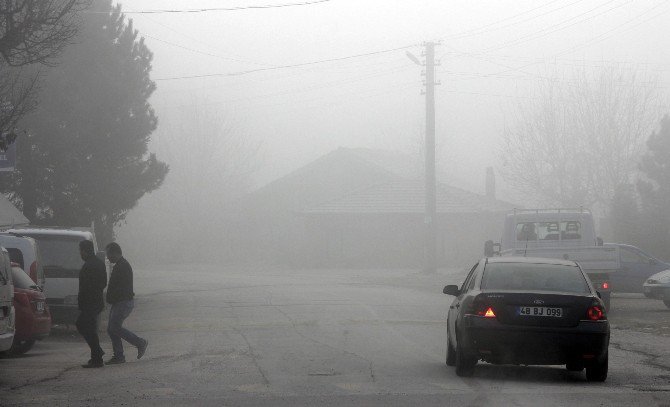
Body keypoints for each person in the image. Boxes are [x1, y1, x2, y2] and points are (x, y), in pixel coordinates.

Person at [105, 242, 148, 364]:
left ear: (115, 253)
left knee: (114, 327)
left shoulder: (122, 266)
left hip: (123, 302)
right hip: (119, 302)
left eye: (109, 254)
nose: (108, 258)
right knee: (111, 329)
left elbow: (121, 288)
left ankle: (140, 342)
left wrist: (112, 298)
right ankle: (119, 356)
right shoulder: (120, 265)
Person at [76, 240, 107, 368]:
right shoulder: (99, 263)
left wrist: (85, 300)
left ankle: (97, 355)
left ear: (85, 251)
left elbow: (86, 287)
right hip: (96, 302)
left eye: (80, 251)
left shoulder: (89, 265)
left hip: (90, 303)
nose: (80, 254)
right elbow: (103, 283)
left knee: (83, 326)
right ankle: (97, 354)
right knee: (89, 328)